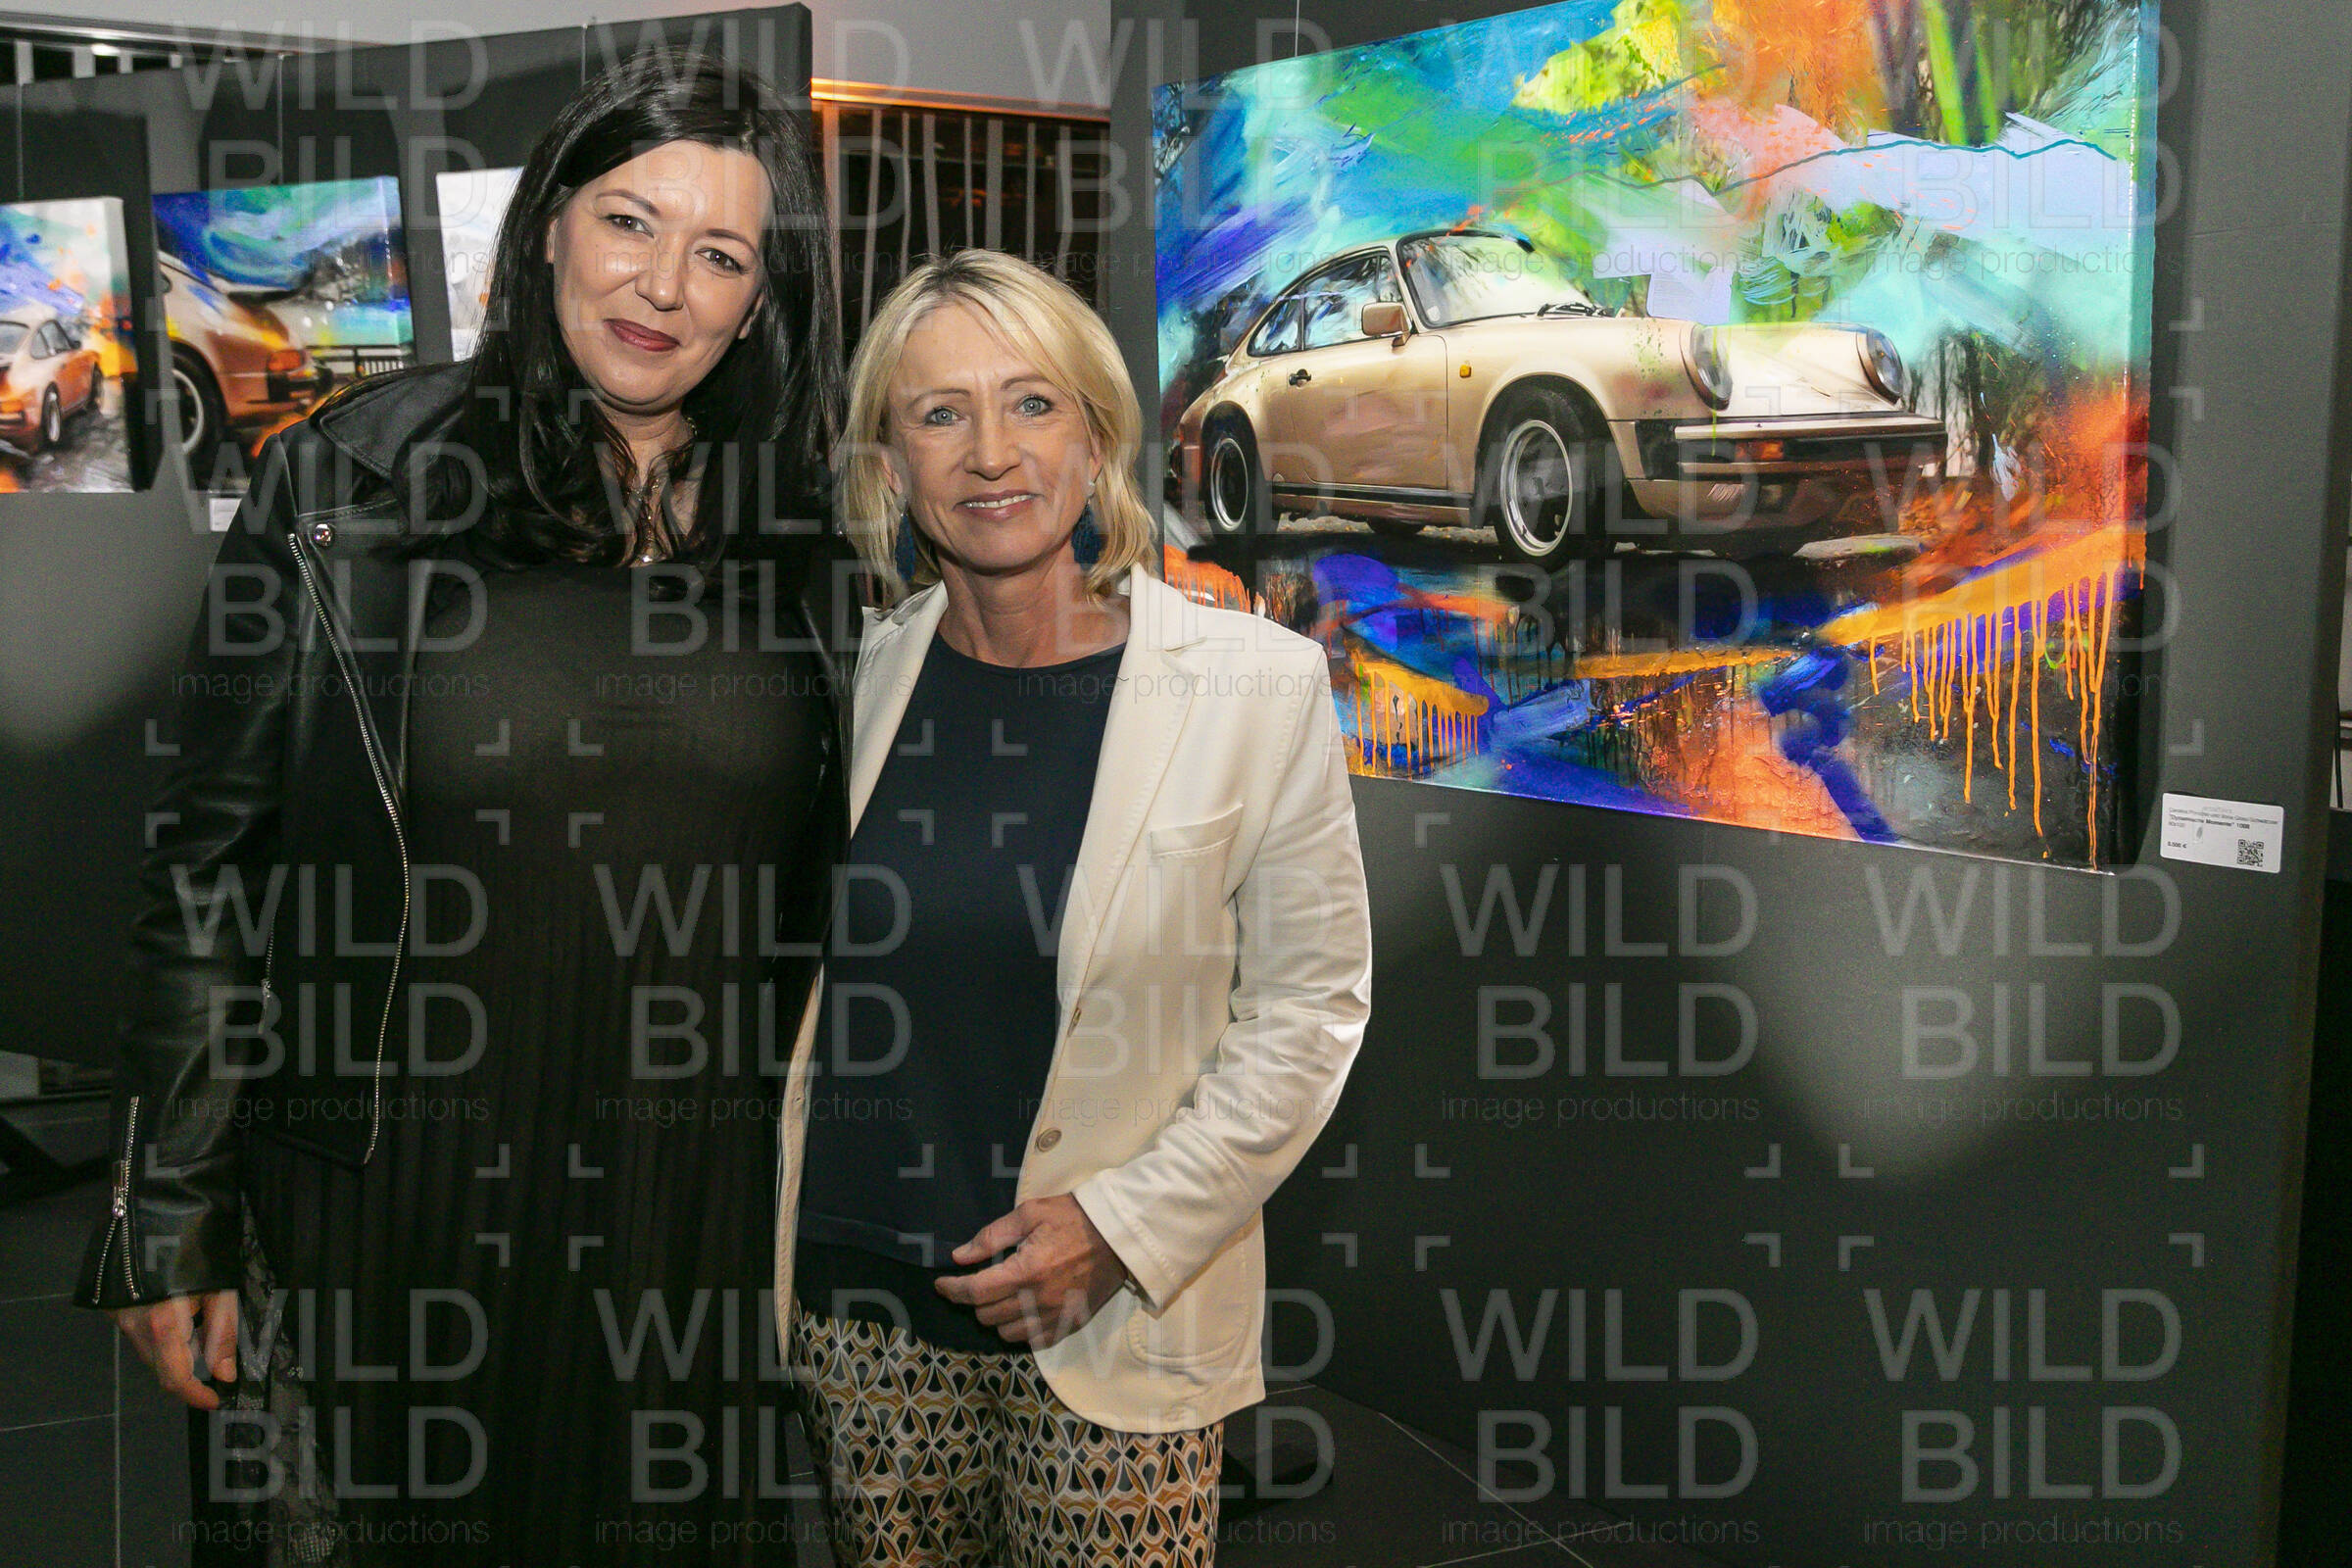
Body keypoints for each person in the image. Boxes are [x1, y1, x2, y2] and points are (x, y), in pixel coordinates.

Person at [73, 49, 849, 1564]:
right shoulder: (344, 487)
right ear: (549, 224)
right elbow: (211, 870)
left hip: (683, 1215)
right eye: (629, 221)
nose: (663, 286)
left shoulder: (810, 536)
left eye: (720, 254)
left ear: (761, 298)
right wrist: (164, 1212)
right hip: (391, 1198)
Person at [780, 248, 1372, 1567]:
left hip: (1114, 1319)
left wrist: (1122, 1229)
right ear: (891, 467)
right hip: (863, 1309)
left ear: (1096, 437)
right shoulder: (848, 680)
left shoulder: (1255, 688)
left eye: (1032, 403)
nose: (992, 452)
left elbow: (1308, 1012)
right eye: (941, 414)